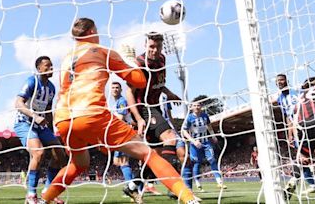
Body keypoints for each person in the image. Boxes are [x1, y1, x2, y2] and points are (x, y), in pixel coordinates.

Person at [40, 18, 198, 204]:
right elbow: (140, 81)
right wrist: (129, 59)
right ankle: (188, 199)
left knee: (79, 163)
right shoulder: (103, 52)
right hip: (91, 113)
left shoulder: (67, 58)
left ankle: (45, 199)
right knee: (148, 154)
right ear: (91, 32)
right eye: (97, 30)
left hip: (64, 118)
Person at [124, 32, 184, 195]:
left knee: (155, 156)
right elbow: (129, 92)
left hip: (154, 107)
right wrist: (138, 118)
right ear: (145, 46)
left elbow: (158, 84)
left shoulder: (162, 59)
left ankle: (131, 186)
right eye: (151, 46)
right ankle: (175, 187)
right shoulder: (139, 64)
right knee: (170, 138)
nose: (155, 50)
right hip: (143, 107)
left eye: (158, 47)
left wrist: (169, 93)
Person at [13, 56, 67, 204]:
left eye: (52, 65)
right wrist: (34, 116)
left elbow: (48, 110)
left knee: (60, 154)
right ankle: (31, 194)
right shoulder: (32, 81)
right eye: (47, 66)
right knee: (38, 152)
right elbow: (18, 103)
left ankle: (48, 191)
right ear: (39, 68)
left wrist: (51, 131)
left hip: (41, 126)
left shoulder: (51, 88)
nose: (51, 68)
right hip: (24, 123)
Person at [275, 74, 315, 196]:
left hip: (307, 125)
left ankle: (293, 181)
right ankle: (311, 184)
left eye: (282, 80)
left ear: (286, 81)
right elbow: (288, 117)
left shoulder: (297, 91)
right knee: (301, 157)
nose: (280, 82)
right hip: (296, 130)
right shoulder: (280, 99)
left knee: (311, 154)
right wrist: (289, 134)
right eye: (277, 81)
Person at [181, 101, 227, 190]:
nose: (197, 107)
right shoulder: (189, 118)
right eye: (195, 105)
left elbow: (209, 126)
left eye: (198, 105)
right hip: (195, 144)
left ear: (201, 107)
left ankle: (219, 181)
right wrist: (193, 141)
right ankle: (197, 181)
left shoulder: (205, 116)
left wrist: (213, 136)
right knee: (197, 162)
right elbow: (184, 131)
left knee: (212, 160)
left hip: (206, 142)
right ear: (191, 107)